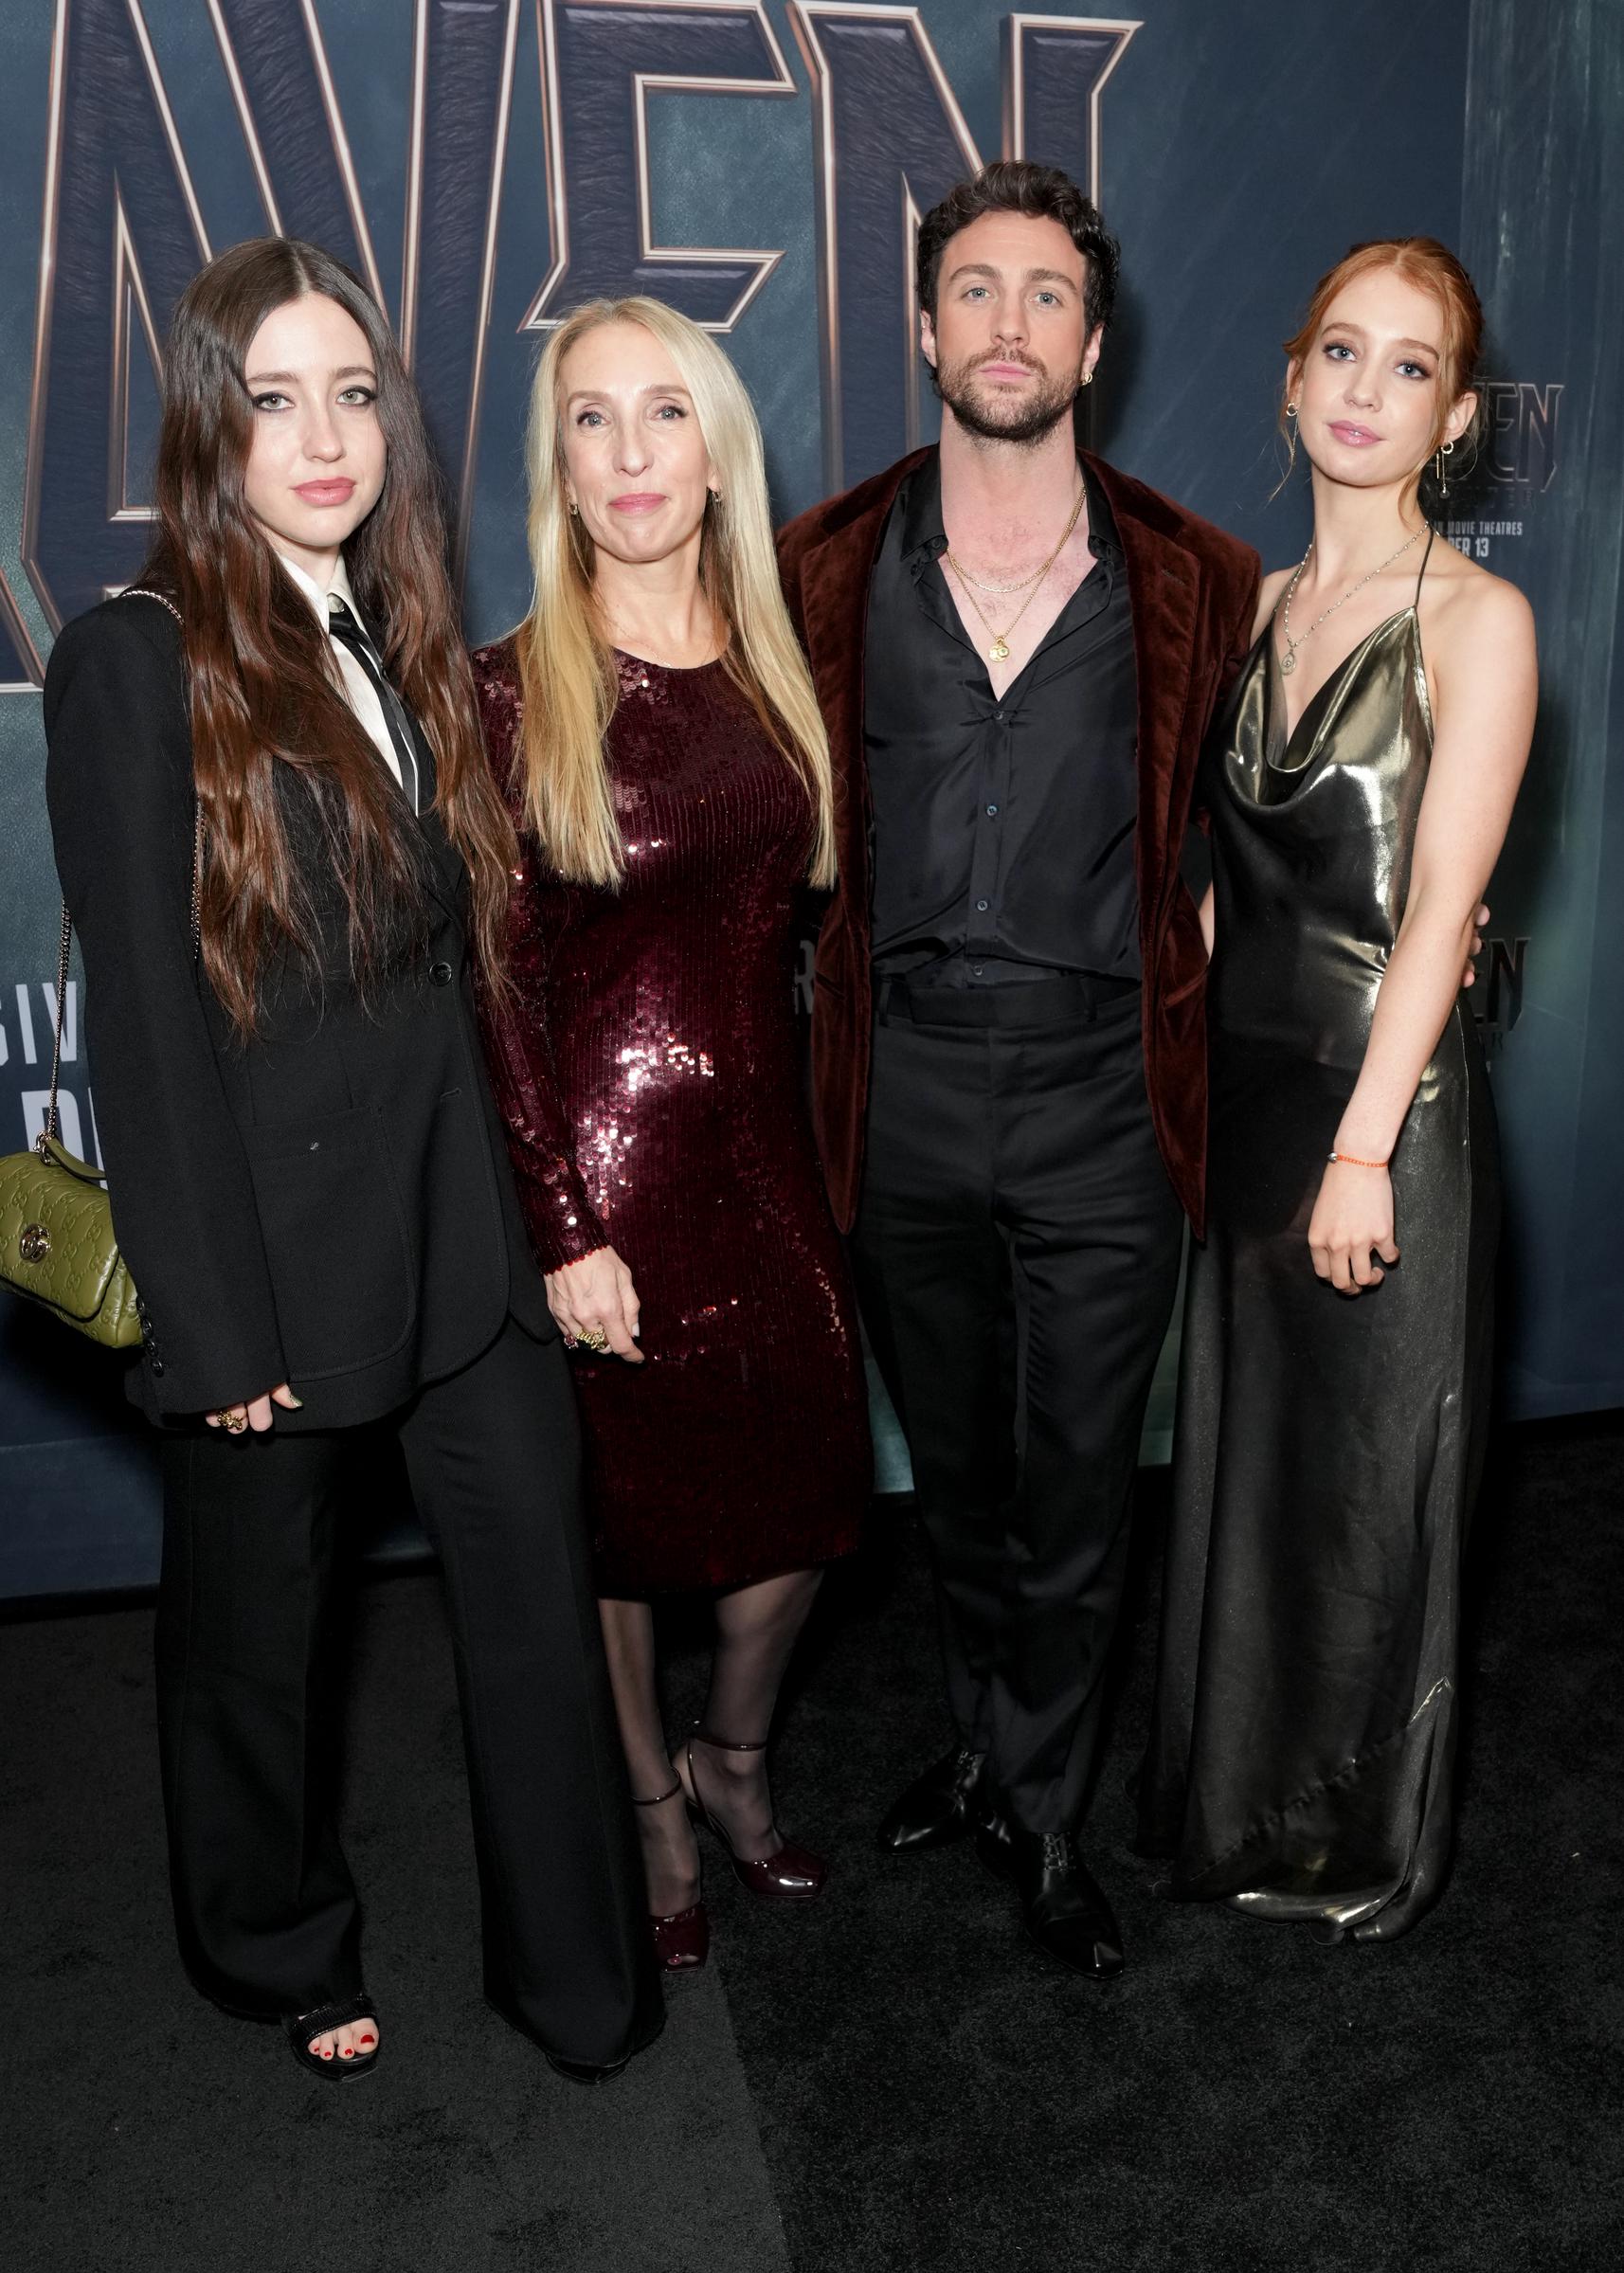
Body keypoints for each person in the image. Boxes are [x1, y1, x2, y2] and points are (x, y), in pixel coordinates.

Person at [43, 238, 662, 2084]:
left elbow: (462, 976)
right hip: (271, 1263)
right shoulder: (132, 660)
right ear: (206, 428)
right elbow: (145, 1026)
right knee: (257, 1645)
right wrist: (214, 1336)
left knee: (539, 1599)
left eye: (352, 393)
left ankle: (575, 1973)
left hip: (459, 1234)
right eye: (273, 400)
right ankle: (273, 1947)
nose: (323, 437)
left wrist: (542, 1226)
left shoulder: (401, 634)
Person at [774, 161, 1262, 1979]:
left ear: (1094, 339)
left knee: (1075, 1482)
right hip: (897, 1085)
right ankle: (988, 1749)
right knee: (960, 1479)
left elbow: (1247, 837)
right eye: (973, 290)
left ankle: (1042, 1811)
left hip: (1096, 1101)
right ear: (923, 327)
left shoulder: (1198, 579)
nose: (1006, 324)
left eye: (1043, 294)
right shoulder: (820, 564)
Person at [1137, 239, 1535, 1941]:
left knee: (1371, 1483)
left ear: (1451, 419)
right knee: (1253, 1465)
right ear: (1289, 382)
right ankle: (1229, 1802)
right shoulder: (1252, 609)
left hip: (1383, 1116)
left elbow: (1440, 908)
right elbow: (1237, 879)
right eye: (1341, 355)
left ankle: (1346, 1837)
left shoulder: (1478, 620)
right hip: (1247, 1100)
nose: (1365, 393)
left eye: (1409, 367)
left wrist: (1364, 1148)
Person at [473, 297, 870, 1973]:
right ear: (557, 469)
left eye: (662, 415)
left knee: (812, 1505)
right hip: (606, 1180)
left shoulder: (781, 662)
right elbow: (498, 993)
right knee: (623, 1533)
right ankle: (652, 1802)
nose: (630, 454)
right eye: (589, 420)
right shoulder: (509, 691)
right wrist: (566, 1228)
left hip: (764, 1165)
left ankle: (733, 1750)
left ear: (716, 450)